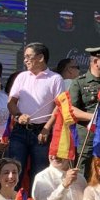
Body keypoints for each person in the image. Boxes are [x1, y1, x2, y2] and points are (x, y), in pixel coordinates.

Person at [6, 42, 63, 179]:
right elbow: (11, 102)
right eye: (24, 57)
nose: (25, 60)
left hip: (41, 132)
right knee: (13, 170)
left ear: (41, 58)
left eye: (28, 56)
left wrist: (47, 128)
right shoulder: (22, 76)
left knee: (39, 173)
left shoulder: (55, 79)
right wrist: (19, 115)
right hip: (20, 130)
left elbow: (59, 106)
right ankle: (13, 199)